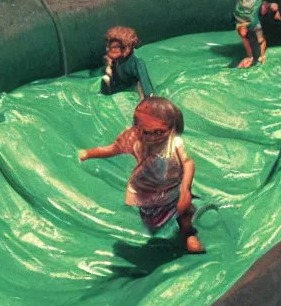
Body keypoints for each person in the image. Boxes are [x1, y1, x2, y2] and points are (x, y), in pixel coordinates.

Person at [78, 97, 205, 254]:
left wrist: (185, 189)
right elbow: (111, 149)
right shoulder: (134, 140)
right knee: (155, 222)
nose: (151, 137)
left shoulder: (175, 143)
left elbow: (188, 163)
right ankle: (174, 231)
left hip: (172, 187)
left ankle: (189, 235)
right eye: (146, 132)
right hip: (147, 192)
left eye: (158, 132)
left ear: (172, 128)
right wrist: (88, 153)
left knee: (183, 212)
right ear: (137, 128)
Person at [100, 26, 154, 99]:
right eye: (108, 46)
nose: (108, 49)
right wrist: (109, 66)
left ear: (127, 48)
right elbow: (107, 60)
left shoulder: (137, 63)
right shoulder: (117, 59)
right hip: (117, 86)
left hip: (131, 90)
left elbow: (145, 85)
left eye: (114, 47)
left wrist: (148, 98)